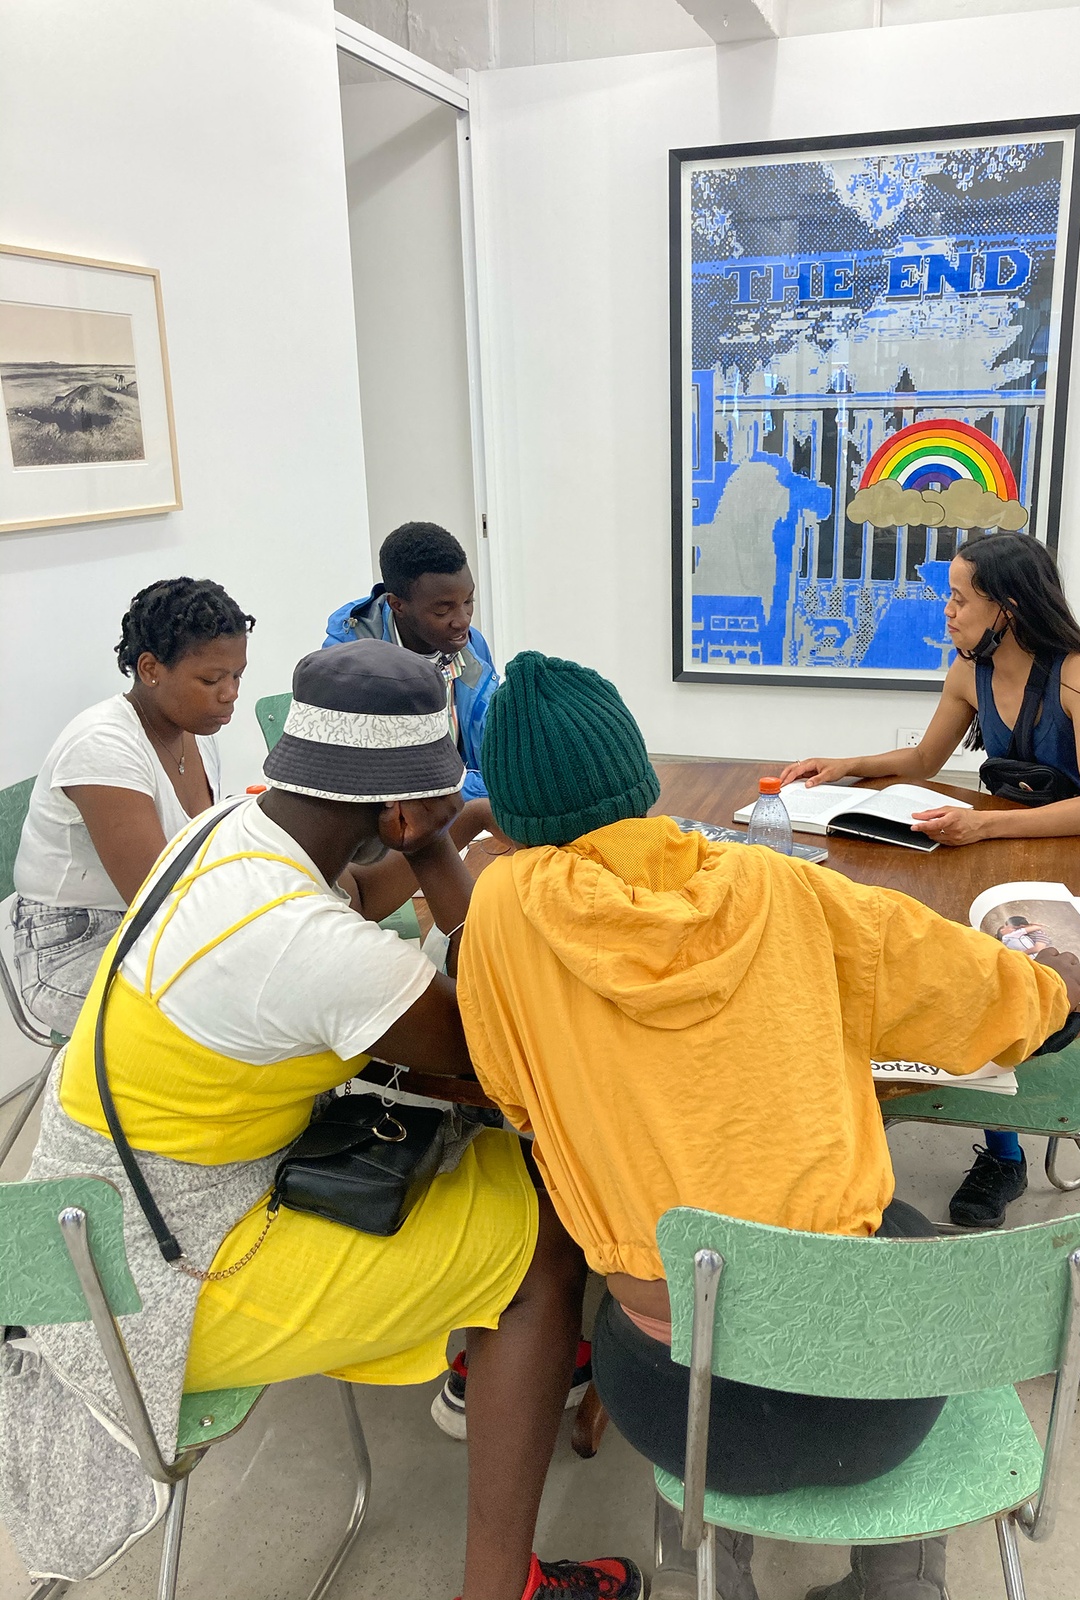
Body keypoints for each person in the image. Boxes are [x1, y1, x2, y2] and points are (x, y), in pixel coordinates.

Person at [0, 642, 639, 1600]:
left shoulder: (223, 833)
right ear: (394, 810)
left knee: (489, 1174)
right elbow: (505, 1050)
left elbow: (351, 895)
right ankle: (502, 1581)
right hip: (169, 1283)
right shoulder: (317, 953)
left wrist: (445, 828)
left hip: (82, 1234)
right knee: (543, 1228)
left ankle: (504, 1366)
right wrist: (436, 852)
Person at [454, 651, 1080, 1600]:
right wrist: (1058, 996)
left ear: (507, 820)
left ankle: (706, 1576)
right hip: (871, 1406)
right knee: (901, 1241)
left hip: (669, 1393)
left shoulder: (504, 914)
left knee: (692, 1287)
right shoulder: (788, 891)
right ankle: (896, 1582)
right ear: (642, 778)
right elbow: (979, 1000)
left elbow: (510, 1091)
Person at [779, 531, 1080, 1228]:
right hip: (1017, 840)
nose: (946, 610)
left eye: (958, 597)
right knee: (957, 949)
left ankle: (1004, 1153)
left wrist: (983, 827)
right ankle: (964, 1107)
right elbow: (925, 755)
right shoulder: (968, 667)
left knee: (1008, 958)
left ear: (1006, 607)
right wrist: (844, 764)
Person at [11, 577, 254, 1036]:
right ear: (149, 669)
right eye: (211, 679)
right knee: (236, 1006)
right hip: (72, 949)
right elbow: (156, 899)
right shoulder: (103, 744)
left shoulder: (194, 730)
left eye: (237, 676)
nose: (230, 693)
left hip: (150, 925)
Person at [324, 521, 497, 804]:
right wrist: (483, 793)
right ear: (398, 605)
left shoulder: (471, 645)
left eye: (468, 601)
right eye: (443, 609)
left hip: (465, 808)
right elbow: (377, 777)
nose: (463, 620)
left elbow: (496, 746)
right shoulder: (349, 662)